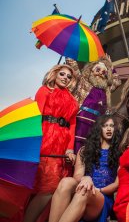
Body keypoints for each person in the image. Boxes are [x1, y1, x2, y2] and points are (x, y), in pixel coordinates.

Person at [24, 64, 78, 222]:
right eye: (62, 74)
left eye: (69, 76)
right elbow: (36, 117)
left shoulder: (73, 100)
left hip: (62, 147)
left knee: (52, 188)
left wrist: (69, 149)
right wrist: (33, 144)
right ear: (54, 74)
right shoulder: (44, 91)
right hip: (45, 142)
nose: (65, 78)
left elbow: (72, 125)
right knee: (44, 187)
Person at [48, 114, 120, 222]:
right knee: (66, 182)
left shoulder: (119, 152)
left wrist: (97, 189)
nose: (109, 128)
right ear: (99, 128)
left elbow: (116, 185)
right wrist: (86, 178)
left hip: (102, 198)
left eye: (112, 126)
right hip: (83, 188)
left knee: (84, 192)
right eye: (105, 126)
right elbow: (77, 176)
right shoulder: (84, 150)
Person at [66, 56, 122, 153]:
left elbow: (117, 82)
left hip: (97, 123)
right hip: (82, 120)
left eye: (104, 72)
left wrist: (111, 66)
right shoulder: (83, 82)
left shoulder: (106, 89)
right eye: (98, 69)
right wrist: (70, 48)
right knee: (78, 145)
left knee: (93, 147)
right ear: (90, 70)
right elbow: (73, 65)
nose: (100, 73)